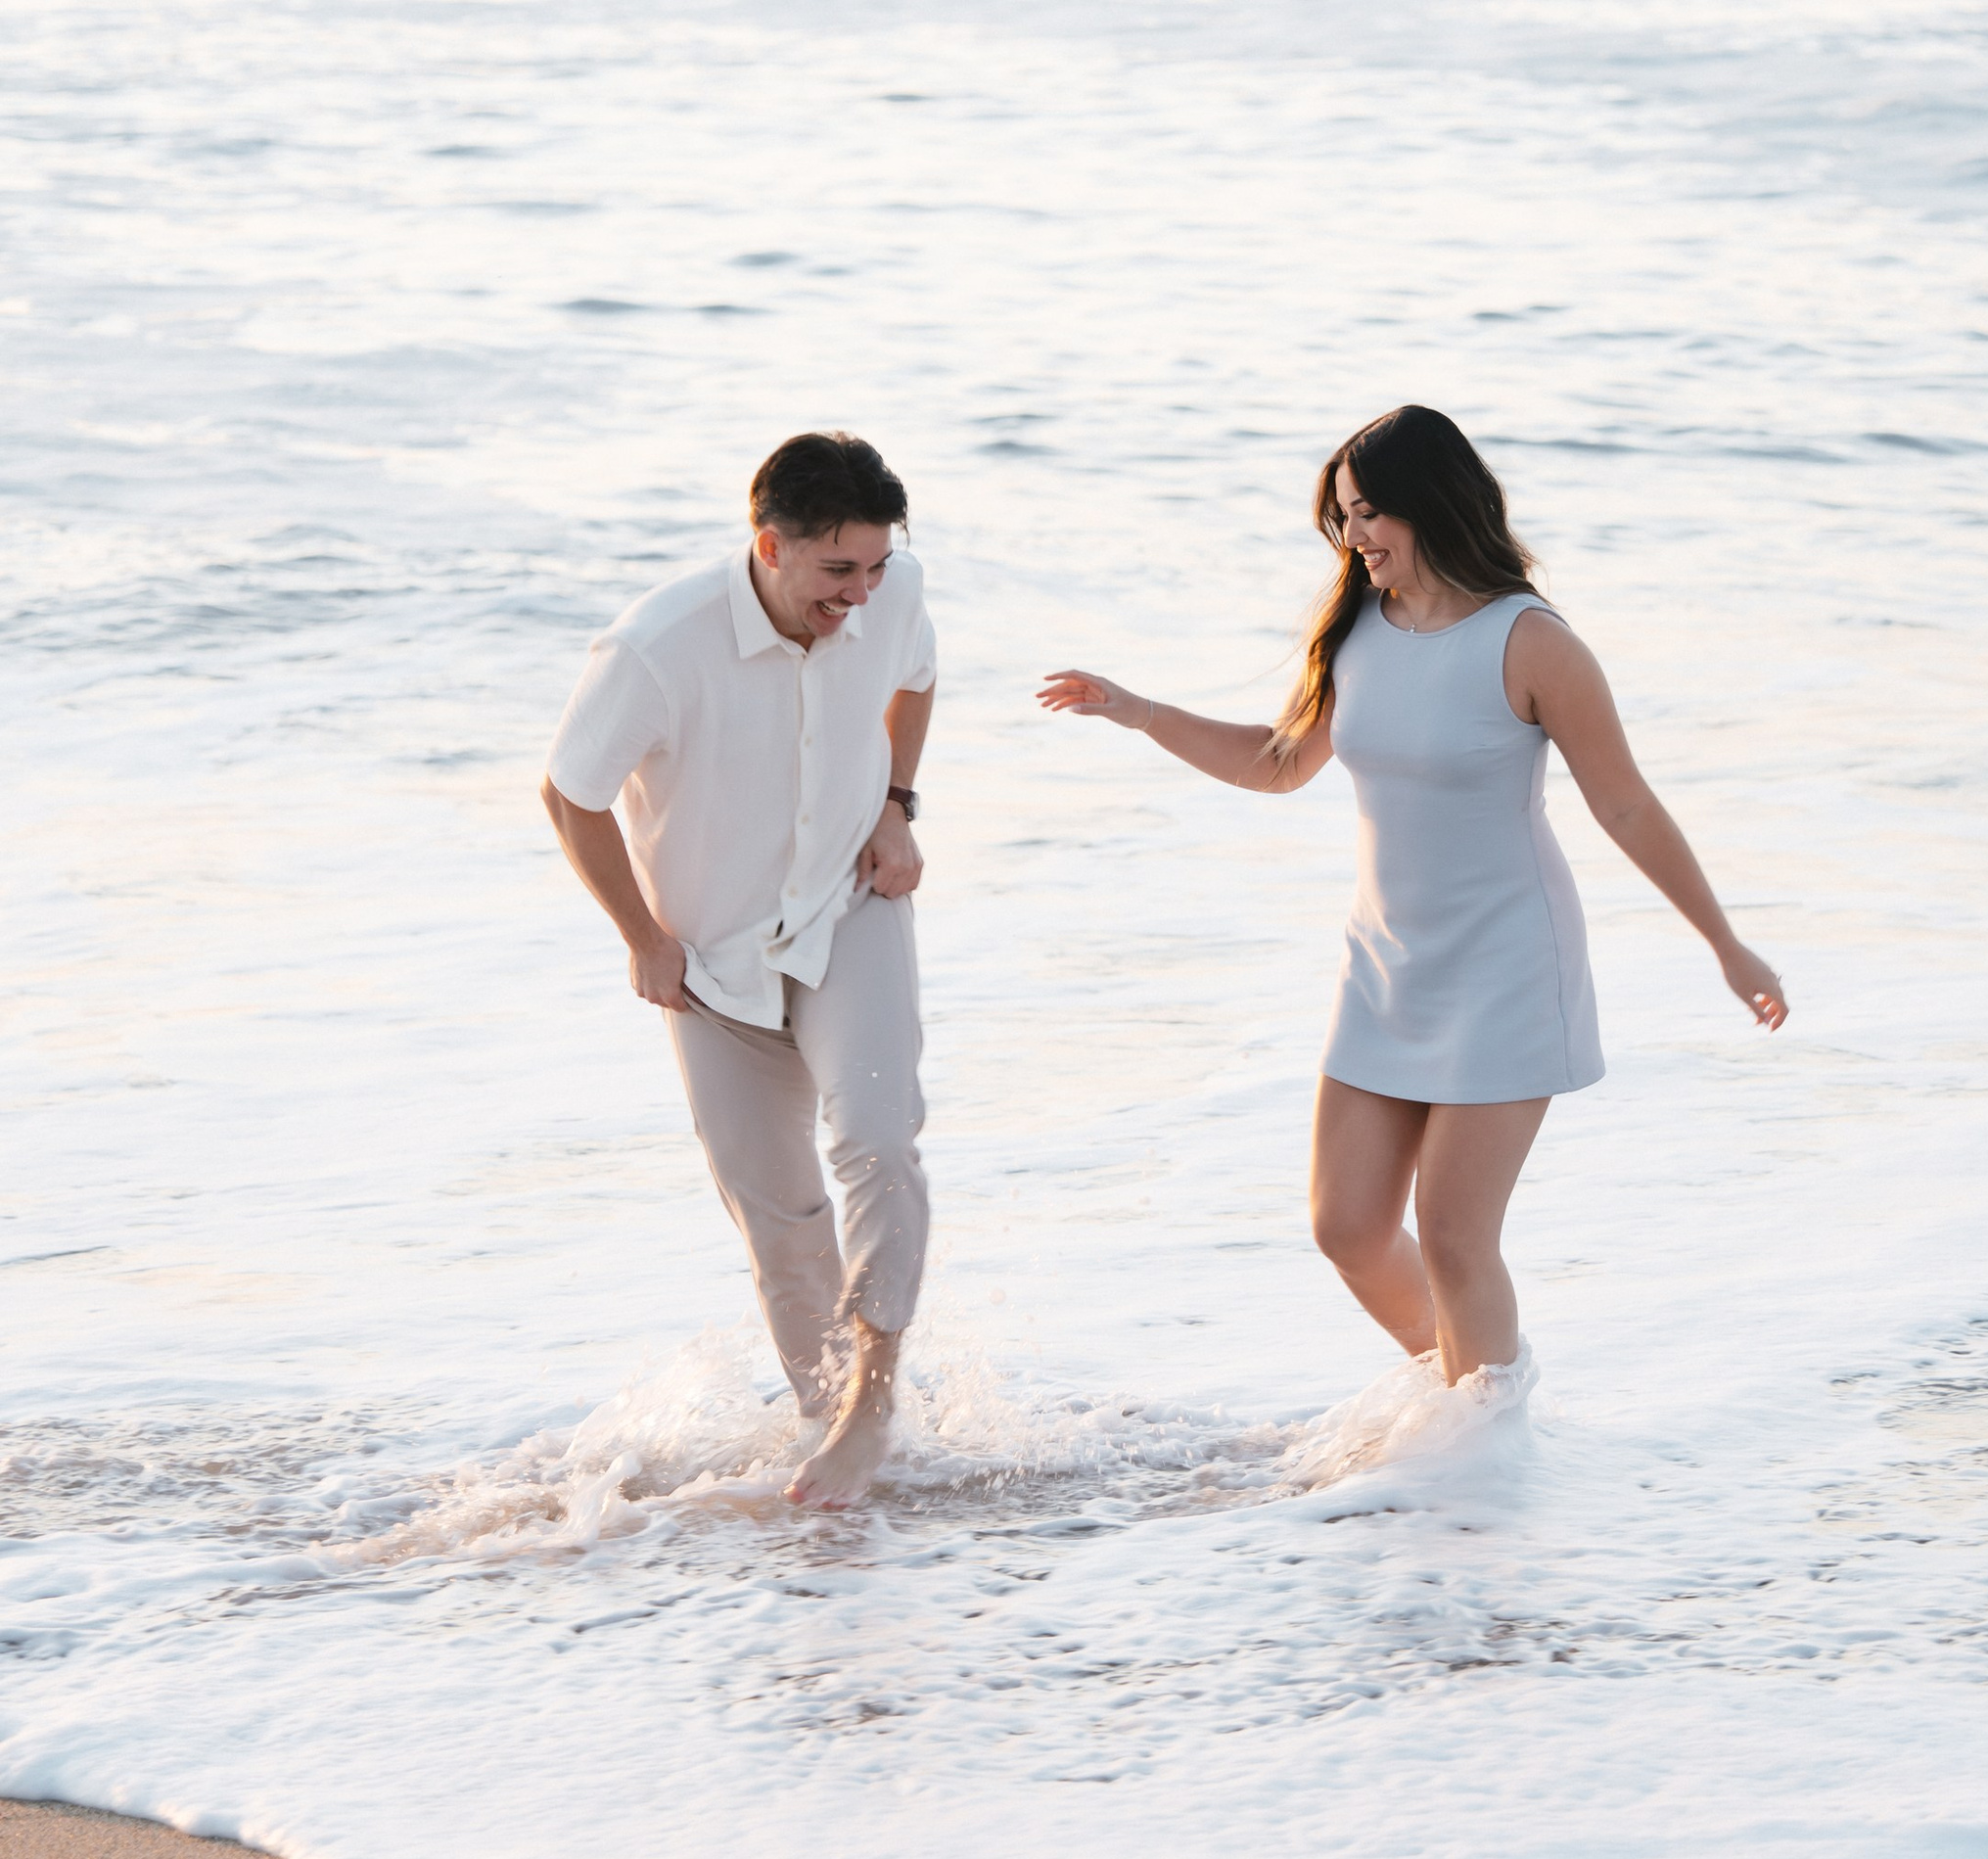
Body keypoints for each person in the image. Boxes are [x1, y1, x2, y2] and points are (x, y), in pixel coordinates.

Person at [1040, 405, 1784, 1401]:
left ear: (1429, 504)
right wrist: (1137, 710)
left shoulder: (1530, 642)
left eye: (1368, 514)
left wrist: (1725, 945)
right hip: (1385, 964)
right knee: (1345, 1224)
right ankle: (1466, 1398)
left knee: (1454, 1238)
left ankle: (1486, 1451)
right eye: (1342, 517)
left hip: (1507, 967)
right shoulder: (1356, 628)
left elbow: (1623, 801)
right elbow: (1278, 764)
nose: (1353, 538)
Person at [539, 429, 937, 1508]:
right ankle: (822, 1411)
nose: (860, 593)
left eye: (876, 566)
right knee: (779, 1211)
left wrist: (898, 809)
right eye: (837, 570)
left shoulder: (888, 597)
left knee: (876, 1137)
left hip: (849, 910)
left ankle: (872, 1409)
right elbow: (570, 793)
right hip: (712, 960)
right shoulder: (656, 648)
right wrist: (640, 935)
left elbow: (916, 679)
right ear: (770, 544)